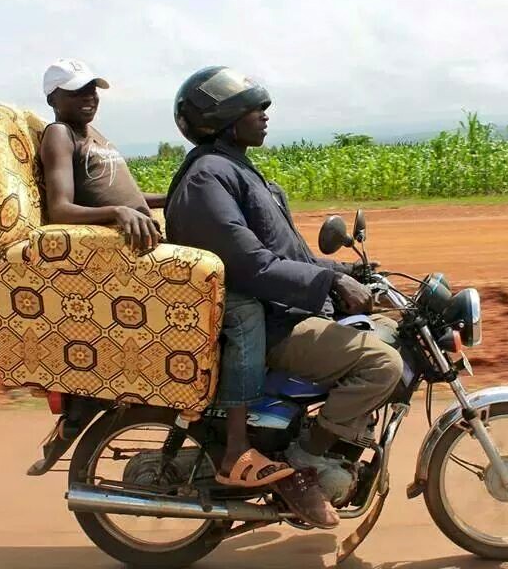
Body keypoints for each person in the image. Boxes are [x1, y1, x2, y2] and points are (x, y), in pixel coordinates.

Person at [165, 66, 404, 528]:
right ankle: (303, 463)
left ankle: (336, 440)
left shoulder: (239, 171)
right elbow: (251, 264)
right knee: (381, 365)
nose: (264, 113)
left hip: (284, 309)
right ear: (222, 119)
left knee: (390, 333)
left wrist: (351, 272)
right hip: (272, 322)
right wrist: (330, 285)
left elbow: (289, 255)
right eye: (253, 108)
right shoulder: (208, 177)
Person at [38, 58, 293, 490]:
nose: (89, 97)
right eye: (77, 91)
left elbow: (128, 196)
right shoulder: (60, 134)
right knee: (243, 308)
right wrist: (118, 213)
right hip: (122, 259)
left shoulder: (93, 136)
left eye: (92, 89)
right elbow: (60, 208)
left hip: (141, 245)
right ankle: (236, 449)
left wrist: (183, 194)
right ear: (53, 98)